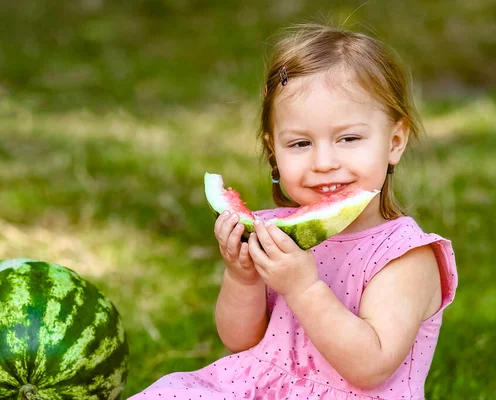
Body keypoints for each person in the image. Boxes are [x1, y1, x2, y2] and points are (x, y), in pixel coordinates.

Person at [129, 23, 458, 400]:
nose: (323, 162)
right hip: (256, 387)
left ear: (394, 142)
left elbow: (371, 367)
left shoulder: (404, 255)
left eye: (348, 138)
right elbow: (241, 342)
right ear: (274, 150)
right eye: (300, 143)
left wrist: (303, 288)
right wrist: (243, 278)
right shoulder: (273, 232)